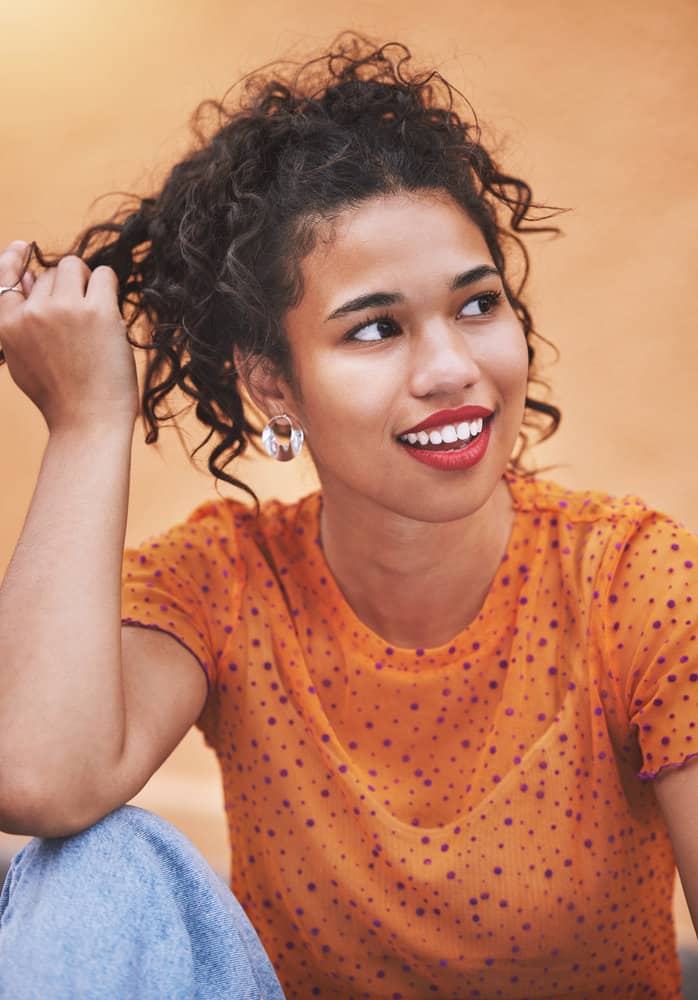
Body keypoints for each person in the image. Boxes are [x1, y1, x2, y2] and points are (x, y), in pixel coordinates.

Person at [0, 35, 695, 1000]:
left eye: (478, 305)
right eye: (376, 328)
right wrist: (85, 424)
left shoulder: (635, 580)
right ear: (273, 385)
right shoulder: (229, 581)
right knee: (91, 864)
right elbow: (38, 777)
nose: (451, 367)